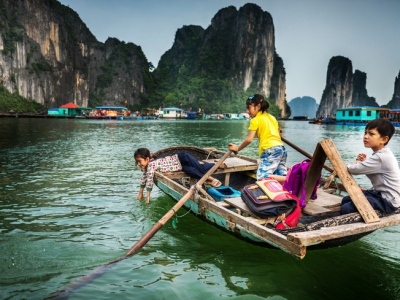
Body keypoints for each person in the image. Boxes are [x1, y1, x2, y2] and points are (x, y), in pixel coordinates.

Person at [340, 119, 400, 214]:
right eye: (365, 133)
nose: (365, 137)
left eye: (371, 134)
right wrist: (363, 163)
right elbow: (374, 171)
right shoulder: (382, 154)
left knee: (346, 208)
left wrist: (356, 162)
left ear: (384, 139)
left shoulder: (380, 157)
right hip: (380, 194)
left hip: (388, 200)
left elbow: (352, 170)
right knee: (346, 199)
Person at [228, 94, 287, 181]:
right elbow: (279, 135)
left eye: (249, 108)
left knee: (263, 178)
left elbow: (249, 139)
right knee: (280, 174)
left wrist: (237, 148)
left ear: (258, 106)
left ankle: (288, 179)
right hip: (281, 149)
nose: (248, 111)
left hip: (270, 150)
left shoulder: (255, 120)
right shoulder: (272, 118)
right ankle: (287, 180)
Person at [134, 148, 222, 203]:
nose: (138, 164)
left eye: (140, 161)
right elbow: (144, 177)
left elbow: (149, 180)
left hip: (182, 158)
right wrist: (141, 193)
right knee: (192, 171)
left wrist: (147, 198)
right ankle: (208, 177)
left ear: (147, 159)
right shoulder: (146, 166)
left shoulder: (150, 165)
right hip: (180, 166)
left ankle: (217, 167)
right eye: (137, 162)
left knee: (200, 168)